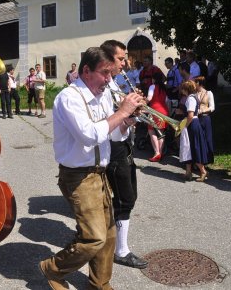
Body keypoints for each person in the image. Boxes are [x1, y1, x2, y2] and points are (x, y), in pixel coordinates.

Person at [38, 47, 143, 290]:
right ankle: (52, 268)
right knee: (94, 237)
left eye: (110, 73)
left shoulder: (104, 95)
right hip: (77, 177)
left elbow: (114, 135)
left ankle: (99, 284)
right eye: (105, 73)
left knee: (108, 236)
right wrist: (122, 111)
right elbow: (89, 135)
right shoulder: (69, 97)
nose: (109, 79)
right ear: (86, 70)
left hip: (100, 173)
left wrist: (128, 121)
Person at [100, 40, 148, 270]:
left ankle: (116, 242)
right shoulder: (103, 87)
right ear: (108, 60)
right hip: (114, 149)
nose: (125, 62)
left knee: (130, 197)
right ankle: (121, 250)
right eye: (121, 58)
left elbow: (120, 121)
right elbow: (106, 124)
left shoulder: (114, 84)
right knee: (123, 199)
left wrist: (133, 113)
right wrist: (125, 112)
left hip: (124, 145)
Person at [179, 80, 209, 182]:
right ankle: (188, 172)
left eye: (182, 88)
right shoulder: (193, 97)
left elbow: (190, 115)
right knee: (189, 148)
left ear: (185, 89)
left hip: (192, 125)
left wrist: (184, 126)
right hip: (193, 124)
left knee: (194, 147)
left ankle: (203, 171)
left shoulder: (190, 99)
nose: (181, 90)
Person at [146, 72, 169, 162]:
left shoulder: (152, 86)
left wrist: (143, 102)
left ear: (154, 79)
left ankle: (157, 153)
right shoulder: (163, 88)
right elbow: (167, 101)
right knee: (160, 133)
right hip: (164, 111)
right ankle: (161, 152)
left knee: (151, 131)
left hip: (154, 111)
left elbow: (149, 98)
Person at [194, 76, 215, 164]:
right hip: (196, 119)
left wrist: (203, 110)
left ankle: (208, 159)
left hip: (205, 118)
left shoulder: (209, 93)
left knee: (207, 139)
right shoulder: (194, 94)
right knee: (198, 139)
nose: (194, 84)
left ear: (200, 83)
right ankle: (199, 161)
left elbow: (212, 107)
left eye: (196, 82)